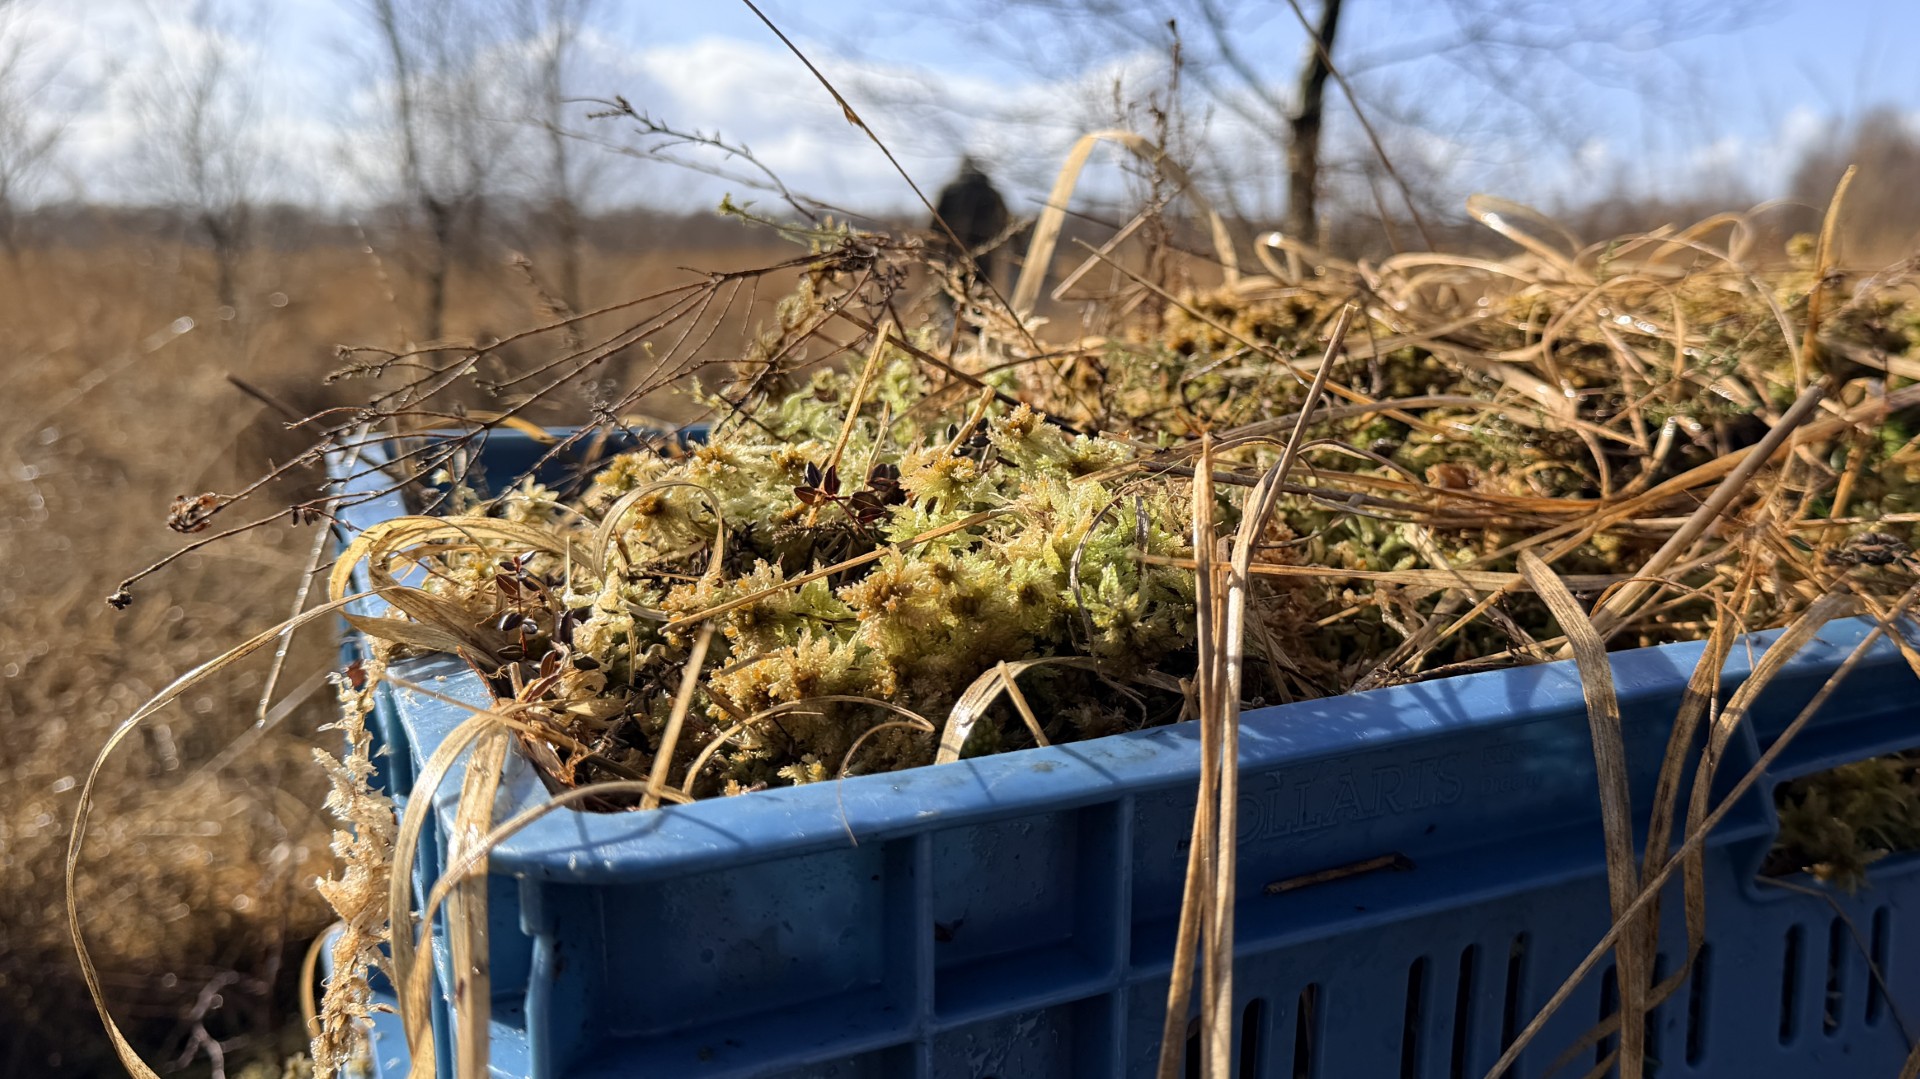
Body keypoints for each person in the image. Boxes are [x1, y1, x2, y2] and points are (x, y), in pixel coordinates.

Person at [931, 156, 1010, 285]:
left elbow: (935, 222)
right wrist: (998, 242)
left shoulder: (950, 190)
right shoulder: (992, 193)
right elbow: (1005, 222)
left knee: (952, 285)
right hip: (984, 251)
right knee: (979, 287)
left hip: (952, 249)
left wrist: (932, 246)